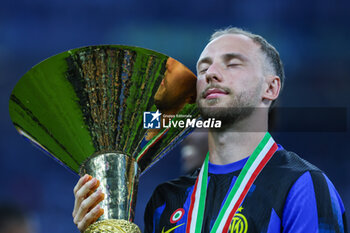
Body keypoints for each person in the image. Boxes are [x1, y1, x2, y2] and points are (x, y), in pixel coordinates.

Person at [72, 27, 348, 233]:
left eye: (232, 63)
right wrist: (104, 226)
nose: (211, 73)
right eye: (203, 67)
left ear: (270, 88)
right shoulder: (166, 200)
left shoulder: (301, 185)